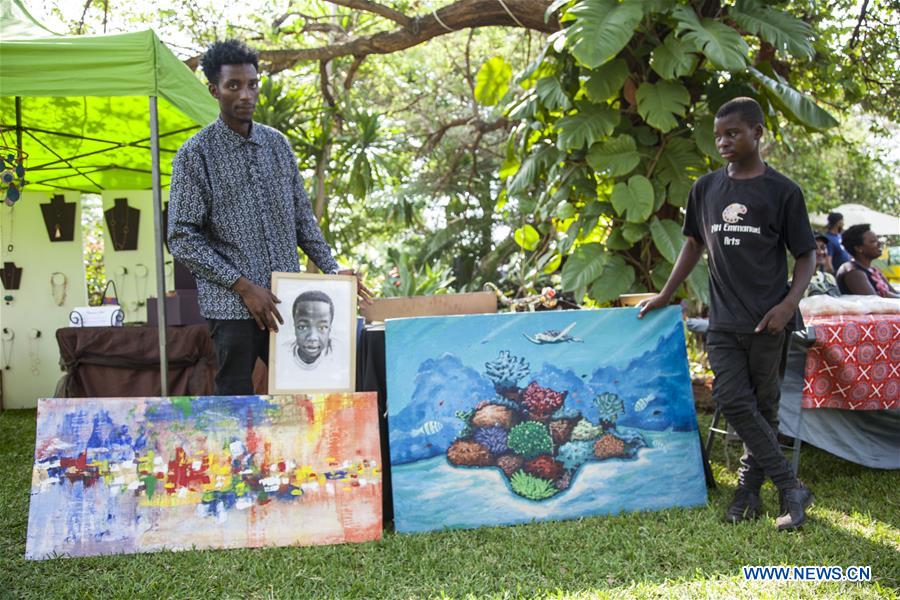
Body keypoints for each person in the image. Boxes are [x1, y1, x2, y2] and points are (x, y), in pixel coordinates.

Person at [637, 97, 817, 531]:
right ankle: (790, 485)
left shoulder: (783, 191)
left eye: (732, 133)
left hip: (768, 321)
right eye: (718, 135)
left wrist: (788, 305)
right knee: (734, 400)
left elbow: (806, 256)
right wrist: (665, 294)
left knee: (766, 408)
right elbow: (693, 245)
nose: (723, 142)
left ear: (757, 132)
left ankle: (748, 493)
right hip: (723, 321)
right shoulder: (705, 189)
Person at [168, 39, 371, 395]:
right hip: (231, 305)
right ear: (215, 89)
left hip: (285, 301)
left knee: (301, 392)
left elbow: (302, 220)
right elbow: (182, 238)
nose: (245, 94)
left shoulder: (277, 145)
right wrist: (243, 286)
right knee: (235, 399)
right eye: (234, 86)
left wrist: (332, 269)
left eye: (252, 84)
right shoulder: (195, 155)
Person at [835, 224, 899, 298]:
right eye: (873, 241)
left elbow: (893, 292)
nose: (879, 243)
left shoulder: (873, 270)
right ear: (858, 248)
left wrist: (889, 295)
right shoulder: (853, 271)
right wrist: (887, 295)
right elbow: (873, 301)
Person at [291, 291, 335, 369]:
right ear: (294, 327)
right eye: (302, 327)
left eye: (322, 327)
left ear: (330, 329)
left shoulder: (341, 355)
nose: (312, 337)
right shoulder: (280, 355)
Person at [805, 232, 839, 297]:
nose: (821, 252)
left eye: (823, 247)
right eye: (814, 248)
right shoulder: (796, 283)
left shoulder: (829, 278)